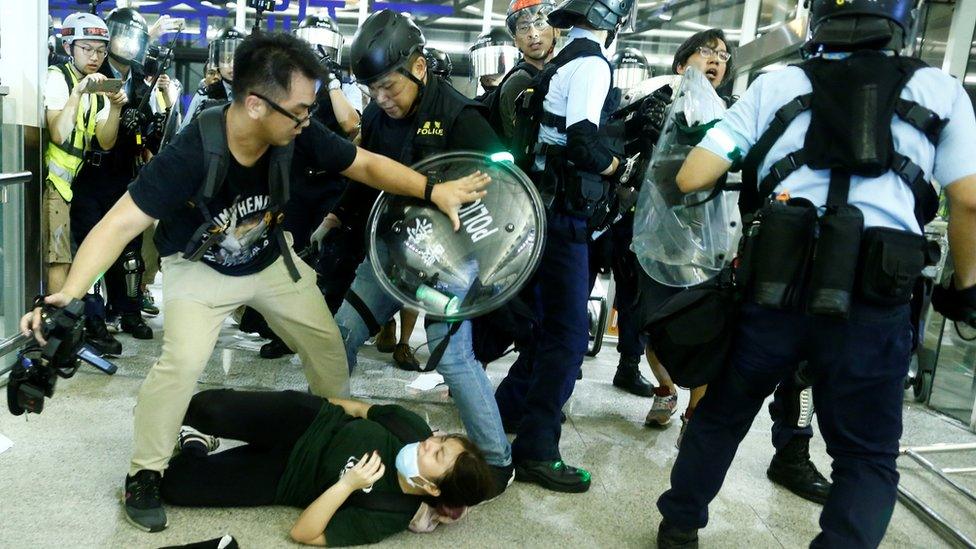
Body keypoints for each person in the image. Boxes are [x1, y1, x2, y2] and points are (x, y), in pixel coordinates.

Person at [23, 30, 489, 534]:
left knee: (327, 348)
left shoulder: (296, 128)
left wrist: (432, 189)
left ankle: (330, 440)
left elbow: (363, 164)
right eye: (300, 110)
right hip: (200, 268)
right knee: (179, 365)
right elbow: (119, 223)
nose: (308, 120)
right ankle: (145, 473)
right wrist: (69, 293)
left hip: (270, 260)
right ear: (254, 104)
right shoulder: (192, 152)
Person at [654, 0, 976, 546]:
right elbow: (967, 202)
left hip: (775, 288)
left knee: (724, 416)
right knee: (866, 453)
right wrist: (966, 285)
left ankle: (680, 525)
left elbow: (692, 176)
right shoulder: (941, 90)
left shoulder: (776, 85)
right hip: (875, 300)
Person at [327, 9, 517, 494]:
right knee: (340, 333)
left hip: (450, 263)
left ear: (419, 67)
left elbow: (502, 194)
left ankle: (497, 460)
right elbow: (366, 172)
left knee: (453, 359)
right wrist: (336, 217)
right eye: (372, 90)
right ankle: (328, 422)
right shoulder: (374, 115)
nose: (381, 99)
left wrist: (486, 270)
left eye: (389, 86)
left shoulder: (462, 116)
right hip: (393, 251)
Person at [493, 0, 635, 493]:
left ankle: (507, 412)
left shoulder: (564, 59)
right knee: (569, 336)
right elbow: (581, 141)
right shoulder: (592, 62)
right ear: (616, 20)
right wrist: (620, 169)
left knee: (547, 326)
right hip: (562, 216)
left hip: (543, 208)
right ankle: (536, 449)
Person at [160, 389, 495, 546]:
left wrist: (347, 485)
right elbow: (358, 409)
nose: (429, 443)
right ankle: (204, 427)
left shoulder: (389, 512)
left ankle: (195, 443)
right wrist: (304, 403)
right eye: (442, 441)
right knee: (205, 408)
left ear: (432, 487)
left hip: (285, 478)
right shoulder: (410, 428)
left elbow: (304, 533)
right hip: (306, 422)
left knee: (174, 484)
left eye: (437, 456)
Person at [250, 14, 363, 360]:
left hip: (331, 186)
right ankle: (281, 333)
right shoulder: (286, 87)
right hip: (294, 183)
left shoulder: (344, 86)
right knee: (284, 258)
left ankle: (319, 331)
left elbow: (351, 124)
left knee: (325, 262)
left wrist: (329, 81)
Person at [70, 7, 158, 354]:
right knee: (91, 244)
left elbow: (151, 126)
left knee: (130, 249)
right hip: (91, 173)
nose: (127, 44)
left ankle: (129, 310)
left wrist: (146, 132)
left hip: (126, 172)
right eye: (120, 36)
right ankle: (92, 318)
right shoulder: (94, 71)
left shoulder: (140, 76)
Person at [43, 12, 125, 295]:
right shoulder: (58, 78)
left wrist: (115, 108)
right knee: (59, 259)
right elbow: (58, 133)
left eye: (101, 51)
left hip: (70, 187)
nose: (95, 57)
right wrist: (77, 94)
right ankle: (58, 331)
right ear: (68, 47)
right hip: (51, 183)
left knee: (71, 257)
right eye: (87, 48)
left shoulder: (98, 88)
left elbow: (105, 141)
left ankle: (69, 325)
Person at [491, 0, 559, 143]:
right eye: (523, 27)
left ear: (556, 30)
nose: (533, 34)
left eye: (540, 23)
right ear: (515, 40)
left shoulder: (556, 75)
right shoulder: (520, 81)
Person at [182, 26, 242, 127]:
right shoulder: (204, 97)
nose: (232, 65)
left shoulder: (254, 96)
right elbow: (184, 136)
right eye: (225, 58)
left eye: (237, 58)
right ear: (217, 61)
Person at [469, 28, 519, 101]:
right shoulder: (476, 106)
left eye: (499, 67)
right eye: (484, 66)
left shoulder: (522, 102)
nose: (489, 75)